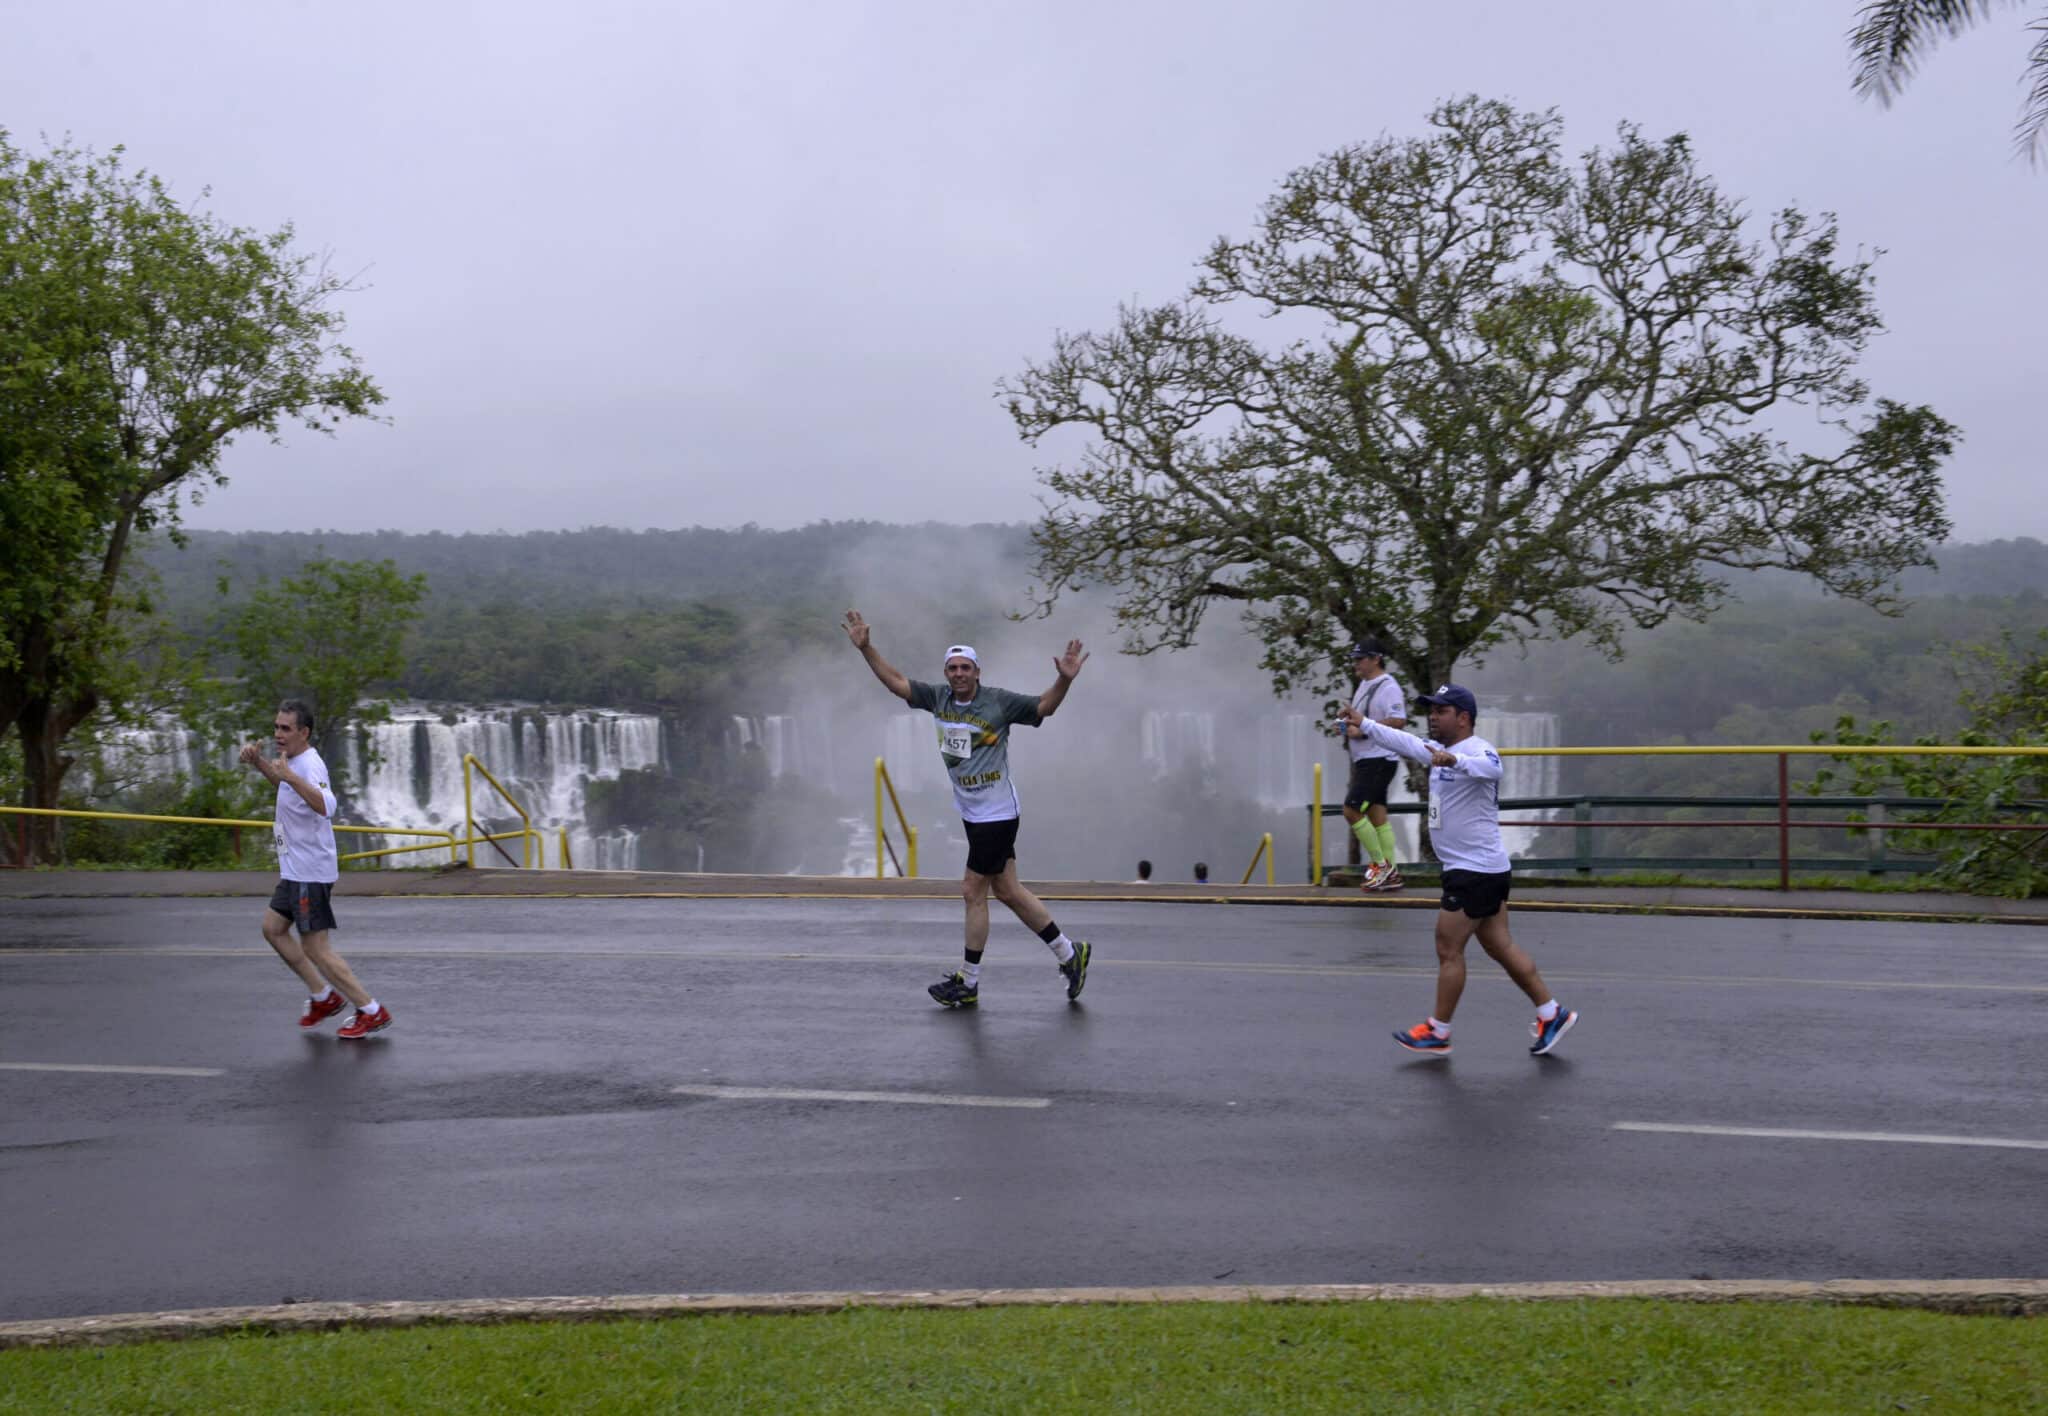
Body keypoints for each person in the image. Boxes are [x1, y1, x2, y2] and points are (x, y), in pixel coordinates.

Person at [842, 611, 1093, 1008]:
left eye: (966, 667)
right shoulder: (937, 698)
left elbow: (1045, 707)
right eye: (953, 668)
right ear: (947, 673)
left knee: (972, 889)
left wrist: (1064, 678)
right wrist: (867, 648)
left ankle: (969, 981)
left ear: (977, 671)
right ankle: (1069, 953)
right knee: (1008, 890)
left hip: (998, 813)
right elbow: (896, 683)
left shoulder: (998, 702)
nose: (959, 674)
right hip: (973, 814)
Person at [1342, 684, 1576, 1058]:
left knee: (1448, 947)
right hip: (1480, 868)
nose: (1432, 716)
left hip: (1475, 871)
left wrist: (1457, 763)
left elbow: (1492, 768)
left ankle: (1438, 1031)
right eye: (1431, 711)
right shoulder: (1439, 750)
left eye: (1441, 711)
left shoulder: (1476, 750)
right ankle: (1552, 1013)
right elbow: (1401, 740)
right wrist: (1365, 722)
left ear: (1463, 718)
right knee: (1500, 946)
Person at [240, 700, 392, 1040]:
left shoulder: (309, 765)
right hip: (294, 869)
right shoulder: (291, 763)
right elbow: (286, 787)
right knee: (273, 929)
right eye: (276, 727)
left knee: (317, 949)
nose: (278, 734)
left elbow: (326, 806)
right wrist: (260, 763)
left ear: (303, 732)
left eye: (286, 729)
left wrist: (291, 776)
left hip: (310, 872)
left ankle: (370, 1010)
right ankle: (323, 997)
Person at [1335, 641, 1409, 891]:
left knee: (1351, 810)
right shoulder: (1364, 685)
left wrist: (1363, 731)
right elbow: (1362, 721)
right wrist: (1346, 725)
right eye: (1354, 659)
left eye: (1360, 658)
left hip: (1379, 759)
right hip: (1368, 759)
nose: (1356, 663)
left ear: (1376, 658)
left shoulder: (1389, 686)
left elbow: (1398, 719)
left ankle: (1381, 867)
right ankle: (1392, 873)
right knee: (1378, 817)